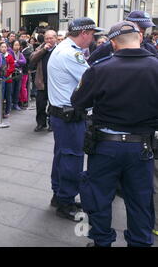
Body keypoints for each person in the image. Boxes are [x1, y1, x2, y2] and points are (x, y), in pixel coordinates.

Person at [71, 21, 158, 247]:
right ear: (139, 37)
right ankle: (140, 242)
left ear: (112, 44)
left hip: (106, 146)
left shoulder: (100, 68)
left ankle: (101, 241)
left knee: (98, 197)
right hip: (141, 146)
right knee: (140, 200)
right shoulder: (155, 67)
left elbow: (78, 101)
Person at [47, 17, 102, 221]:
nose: (93, 38)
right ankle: (65, 201)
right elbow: (92, 79)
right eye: (92, 34)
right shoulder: (71, 54)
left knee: (62, 156)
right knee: (72, 158)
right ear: (84, 33)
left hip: (62, 114)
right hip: (69, 116)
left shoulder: (63, 48)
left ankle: (59, 194)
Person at [87, 11, 157, 64]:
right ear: (129, 24)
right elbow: (91, 65)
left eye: (145, 28)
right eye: (142, 27)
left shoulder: (149, 48)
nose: (143, 31)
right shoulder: (108, 47)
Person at [30, 30, 58, 132]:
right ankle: (41, 123)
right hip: (42, 81)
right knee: (40, 104)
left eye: (51, 38)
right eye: (47, 38)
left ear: (55, 38)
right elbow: (32, 59)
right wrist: (43, 50)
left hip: (54, 83)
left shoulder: (60, 49)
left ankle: (52, 123)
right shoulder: (40, 48)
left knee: (53, 105)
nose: (49, 40)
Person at [10, 40, 26, 111]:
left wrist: (17, 61)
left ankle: (15, 104)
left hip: (19, 74)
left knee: (17, 89)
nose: (17, 46)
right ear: (12, 46)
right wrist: (17, 63)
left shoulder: (20, 54)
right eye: (15, 45)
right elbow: (12, 63)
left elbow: (24, 61)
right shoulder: (10, 53)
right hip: (12, 74)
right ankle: (10, 104)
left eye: (18, 45)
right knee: (11, 90)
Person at [2, 43, 16, 118]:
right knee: (1, 95)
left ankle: (7, 110)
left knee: (8, 95)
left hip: (8, 79)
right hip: (0, 80)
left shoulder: (10, 56)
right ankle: (1, 111)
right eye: (2, 47)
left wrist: (6, 74)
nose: (4, 48)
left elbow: (12, 68)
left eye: (5, 47)